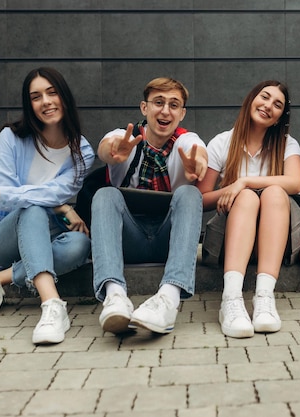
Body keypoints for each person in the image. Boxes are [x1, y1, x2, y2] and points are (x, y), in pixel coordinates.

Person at [0, 67, 95, 344]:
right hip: (2, 234)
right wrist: (60, 207)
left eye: (52, 92)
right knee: (32, 208)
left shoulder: (81, 151)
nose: (45, 101)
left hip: (43, 237)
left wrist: (47, 200)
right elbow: (2, 197)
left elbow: (59, 190)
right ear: (30, 105)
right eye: (36, 97)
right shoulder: (11, 138)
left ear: (64, 97)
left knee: (80, 244)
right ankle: (52, 306)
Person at [91, 77, 207, 335]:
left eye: (174, 105)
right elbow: (106, 146)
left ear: (182, 113)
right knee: (105, 195)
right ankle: (115, 296)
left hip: (169, 241)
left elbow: (197, 150)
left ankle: (168, 298)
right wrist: (112, 151)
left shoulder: (185, 141)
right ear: (145, 108)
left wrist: (198, 163)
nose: (165, 111)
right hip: (128, 239)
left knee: (190, 193)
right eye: (158, 102)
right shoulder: (127, 138)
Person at [197, 80, 300, 338]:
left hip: (277, 243)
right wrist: (233, 191)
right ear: (251, 99)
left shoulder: (288, 144)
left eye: (277, 104)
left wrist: (243, 182)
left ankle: (264, 298)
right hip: (230, 242)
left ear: (280, 117)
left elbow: (295, 182)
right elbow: (200, 198)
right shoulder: (222, 143)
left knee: (276, 192)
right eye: (264, 97)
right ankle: (231, 300)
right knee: (246, 198)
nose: (268, 106)